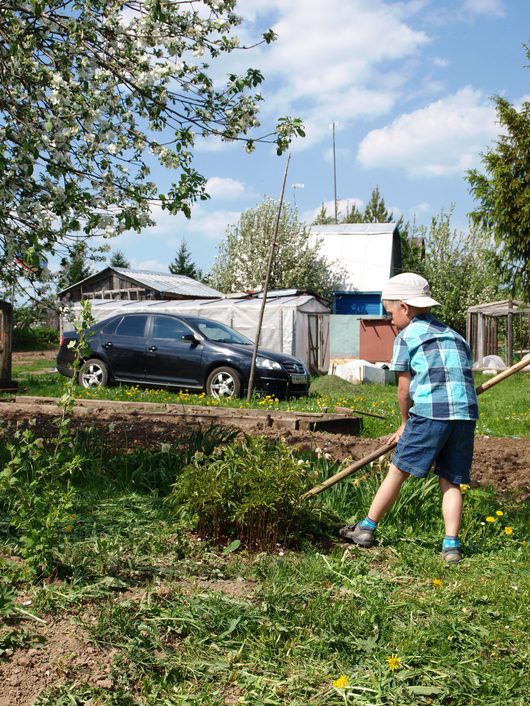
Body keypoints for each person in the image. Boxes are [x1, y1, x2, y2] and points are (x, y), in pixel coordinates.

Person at [340, 272, 478, 563]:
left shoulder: (407, 337)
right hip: (464, 415)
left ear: (404, 307)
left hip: (429, 414)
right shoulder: (455, 335)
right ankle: (451, 545)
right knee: (451, 480)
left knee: (398, 470)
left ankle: (366, 528)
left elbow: (404, 389)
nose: (389, 319)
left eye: (390, 312)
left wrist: (404, 423)